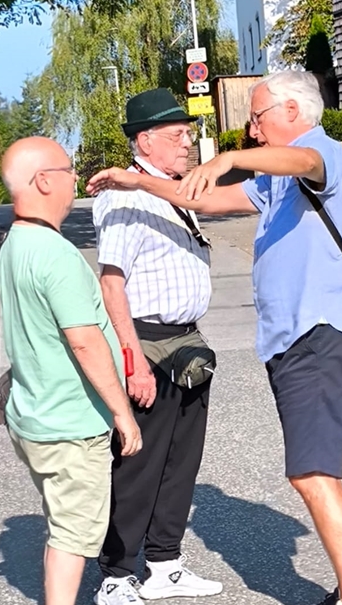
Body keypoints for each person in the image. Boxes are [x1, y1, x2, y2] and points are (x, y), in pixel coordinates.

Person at [87, 72, 342, 605]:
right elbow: (205, 201)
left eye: (258, 117)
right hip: (295, 340)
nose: (253, 128)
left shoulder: (320, 152)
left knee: (312, 472)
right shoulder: (275, 180)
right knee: (305, 471)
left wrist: (229, 158)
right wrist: (139, 183)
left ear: (293, 112)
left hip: (317, 333)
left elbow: (301, 161)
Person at [92, 88, 224, 605]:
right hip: (146, 341)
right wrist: (132, 362)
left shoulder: (171, 190)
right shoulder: (125, 197)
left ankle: (164, 565)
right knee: (139, 463)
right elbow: (111, 284)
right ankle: (117, 575)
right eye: (176, 135)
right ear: (145, 140)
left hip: (186, 339)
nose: (187, 143)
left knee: (181, 461)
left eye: (188, 133)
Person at [0, 137, 142, 605]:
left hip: (34, 414)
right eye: (68, 170)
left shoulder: (14, 242)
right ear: (43, 181)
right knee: (72, 535)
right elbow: (84, 341)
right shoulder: (56, 254)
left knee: (62, 521)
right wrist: (122, 413)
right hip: (70, 424)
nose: (75, 178)